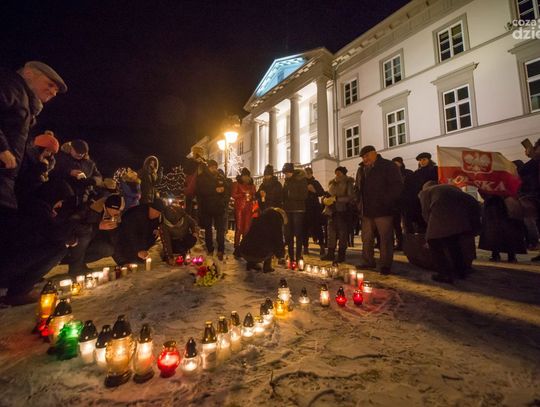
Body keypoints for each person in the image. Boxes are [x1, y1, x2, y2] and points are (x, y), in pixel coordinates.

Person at [0, 61, 67, 253]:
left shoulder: (26, 107)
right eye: (50, 84)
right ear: (29, 73)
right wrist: (2, 148)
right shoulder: (10, 86)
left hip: (7, 185)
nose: (53, 92)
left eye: (56, 90)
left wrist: (39, 167)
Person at [1, 180, 75, 305]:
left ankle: (19, 287)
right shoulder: (36, 210)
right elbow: (56, 235)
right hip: (6, 265)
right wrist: (73, 223)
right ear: (53, 195)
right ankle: (19, 292)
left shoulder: (34, 205)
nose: (60, 205)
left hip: (9, 260)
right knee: (59, 249)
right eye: (60, 201)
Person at [419, 182, 481, 283]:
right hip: (468, 207)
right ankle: (461, 271)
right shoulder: (450, 187)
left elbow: (425, 212)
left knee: (433, 242)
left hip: (444, 211)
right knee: (453, 242)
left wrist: (430, 229)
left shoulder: (425, 192)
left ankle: (444, 274)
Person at [355, 145, 403, 275]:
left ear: (374, 153)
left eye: (367, 156)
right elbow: (357, 188)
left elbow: (397, 186)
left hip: (383, 210)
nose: (365, 159)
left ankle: (385, 264)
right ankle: (368, 261)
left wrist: (386, 201)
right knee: (366, 238)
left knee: (385, 238)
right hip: (366, 210)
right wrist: (358, 203)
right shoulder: (361, 169)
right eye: (363, 157)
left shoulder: (388, 165)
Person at [113, 198, 166, 266]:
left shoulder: (155, 217)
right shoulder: (136, 214)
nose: (157, 215)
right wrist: (138, 250)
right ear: (150, 208)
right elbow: (130, 234)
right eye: (156, 212)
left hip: (138, 239)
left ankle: (138, 256)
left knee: (153, 236)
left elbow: (156, 226)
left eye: (159, 213)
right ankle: (125, 259)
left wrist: (157, 230)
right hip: (124, 239)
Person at [196, 159, 230, 261]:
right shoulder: (202, 177)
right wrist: (215, 190)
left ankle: (221, 249)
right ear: (208, 167)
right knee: (208, 230)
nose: (214, 169)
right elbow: (201, 190)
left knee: (220, 229)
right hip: (207, 207)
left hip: (219, 207)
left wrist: (224, 199)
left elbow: (227, 190)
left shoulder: (220, 176)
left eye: (215, 167)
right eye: (212, 167)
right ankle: (210, 248)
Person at [52, 140, 103, 207]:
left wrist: (92, 180)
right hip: (63, 199)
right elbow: (53, 173)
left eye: (82, 153)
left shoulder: (90, 164)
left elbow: (99, 177)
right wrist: (69, 172)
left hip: (83, 200)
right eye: (77, 151)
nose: (80, 154)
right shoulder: (61, 158)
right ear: (70, 148)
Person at [478, 193, 526, 263]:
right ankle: (511, 256)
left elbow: (484, 195)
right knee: (509, 232)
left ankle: (497, 255)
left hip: (495, 208)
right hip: (508, 207)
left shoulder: (491, 192)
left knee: (496, 232)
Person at [15, 130, 60, 205]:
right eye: (47, 150)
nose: (49, 154)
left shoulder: (47, 162)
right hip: (20, 195)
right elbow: (25, 179)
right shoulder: (26, 157)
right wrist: (41, 167)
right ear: (39, 148)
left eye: (51, 153)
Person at [322, 166, 355, 263]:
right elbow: (328, 194)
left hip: (342, 210)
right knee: (331, 233)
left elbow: (350, 197)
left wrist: (336, 199)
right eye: (336, 172)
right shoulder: (332, 182)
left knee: (342, 234)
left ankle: (341, 255)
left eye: (339, 172)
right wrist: (325, 199)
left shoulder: (348, 182)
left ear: (343, 173)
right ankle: (330, 253)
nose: (337, 174)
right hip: (331, 210)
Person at [239, 208, 287, 273]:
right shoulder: (276, 223)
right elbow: (278, 241)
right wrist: (281, 255)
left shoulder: (259, 219)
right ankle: (267, 267)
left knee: (256, 241)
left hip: (244, 252)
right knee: (272, 244)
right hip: (258, 255)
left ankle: (251, 264)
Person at [402, 152, 438, 233]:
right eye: (420, 160)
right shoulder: (417, 173)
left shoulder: (435, 170)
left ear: (429, 160)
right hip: (420, 199)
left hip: (433, 197)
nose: (422, 162)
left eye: (424, 159)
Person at [282, 162, 308, 263]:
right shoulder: (287, 181)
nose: (286, 175)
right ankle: (291, 255)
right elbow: (284, 194)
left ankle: (298, 255)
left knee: (298, 233)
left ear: (291, 172)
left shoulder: (301, 179)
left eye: (287, 173)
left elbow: (304, 194)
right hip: (288, 209)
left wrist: (290, 195)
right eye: (285, 173)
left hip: (298, 209)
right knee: (289, 234)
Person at [231, 167, 256, 258]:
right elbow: (233, 195)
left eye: (247, 176)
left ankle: (244, 246)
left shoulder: (252, 185)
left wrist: (252, 196)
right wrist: (242, 195)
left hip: (249, 208)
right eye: (244, 176)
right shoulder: (237, 184)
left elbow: (254, 195)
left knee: (247, 228)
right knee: (239, 227)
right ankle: (237, 247)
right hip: (239, 208)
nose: (246, 178)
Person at [391, 157, 414, 250]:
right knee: (396, 225)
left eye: (397, 163)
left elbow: (412, 187)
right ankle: (400, 243)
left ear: (401, 163)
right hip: (395, 203)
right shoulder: (391, 174)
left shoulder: (408, 173)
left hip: (406, 202)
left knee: (407, 224)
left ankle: (409, 244)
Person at [303, 167, 326, 256]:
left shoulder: (315, 182)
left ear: (311, 174)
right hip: (305, 208)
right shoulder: (302, 183)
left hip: (314, 208)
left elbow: (322, 192)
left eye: (308, 173)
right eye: (305, 174)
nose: (306, 175)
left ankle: (322, 246)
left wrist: (314, 191)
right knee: (305, 229)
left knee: (317, 228)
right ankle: (305, 247)